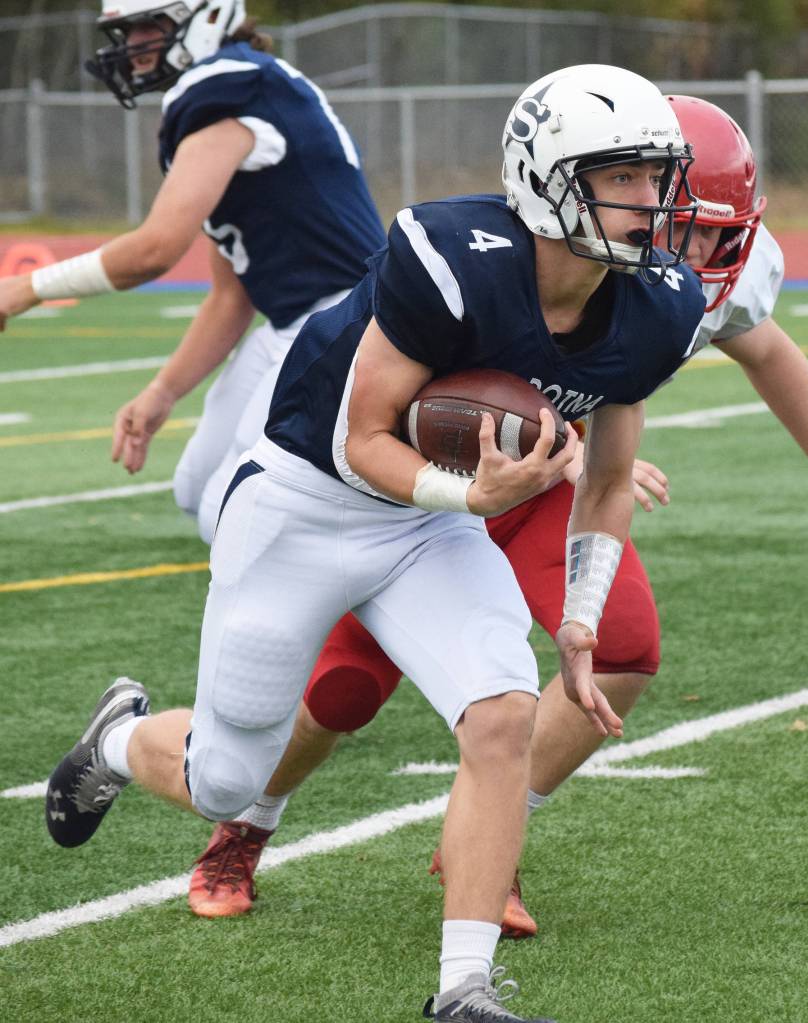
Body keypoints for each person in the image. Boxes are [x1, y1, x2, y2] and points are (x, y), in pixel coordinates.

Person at [44, 64, 706, 1023]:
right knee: (226, 775)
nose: (654, 202)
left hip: (429, 526)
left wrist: (577, 615)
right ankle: (115, 736)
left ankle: (464, 989)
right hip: (303, 501)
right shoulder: (451, 253)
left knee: (501, 715)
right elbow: (360, 440)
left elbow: (604, 482)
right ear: (548, 176)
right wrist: (471, 491)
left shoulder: (655, 307)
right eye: (626, 177)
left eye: (658, 176)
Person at [178, 94, 808, 939]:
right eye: (655, 201)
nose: (690, 242)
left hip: (548, 474)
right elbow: (445, 384)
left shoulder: (701, 274)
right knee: (345, 687)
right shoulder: (507, 252)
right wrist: (555, 436)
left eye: (712, 227)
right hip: (432, 468)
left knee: (622, 644)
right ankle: (247, 821)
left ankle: (489, 839)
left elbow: (762, 349)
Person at [0, 0, 385, 540]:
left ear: (207, 16)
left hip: (344, 319)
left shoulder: (226, 88)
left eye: (147, 25)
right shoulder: (239, 87)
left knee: (228, 512)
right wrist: (162, 392)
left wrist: (25, 287)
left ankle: (361, 571)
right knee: (194, 487)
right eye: (125, 30)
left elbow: (154, 251)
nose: (133, 43)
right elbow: (231, 295)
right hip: (292, 324)